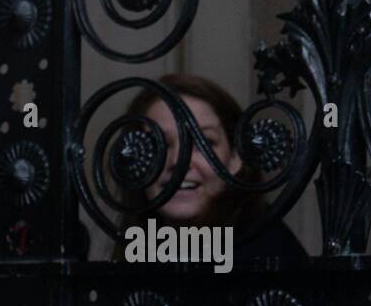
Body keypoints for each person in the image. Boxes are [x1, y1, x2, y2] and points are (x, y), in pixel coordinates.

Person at [113, 72, 307, 261]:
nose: (177, 161)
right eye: (157, 144)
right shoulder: (138, 249)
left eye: (202, 142)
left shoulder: (269, 255)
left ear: (235, 158)